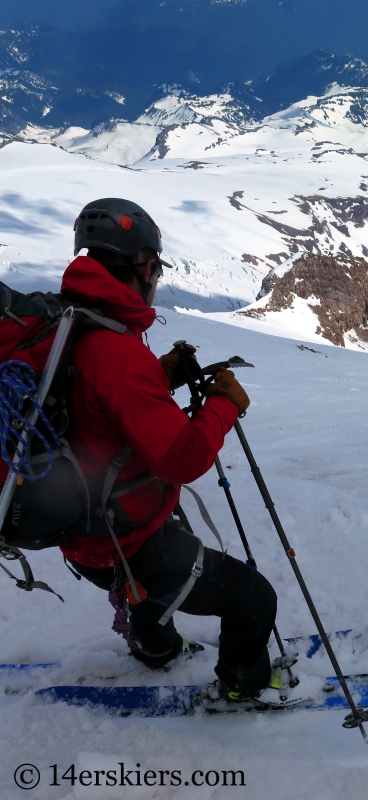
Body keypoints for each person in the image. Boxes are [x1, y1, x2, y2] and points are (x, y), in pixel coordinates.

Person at [59, 197, 277, 701]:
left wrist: (163, 376)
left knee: (148, 593)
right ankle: (248, 690)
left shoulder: (73, 323)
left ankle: (156, 651)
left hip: (85, 533)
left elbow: (97, 403)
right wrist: (224, 404)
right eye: (155, 269)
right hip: (131, 538)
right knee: (252, 599)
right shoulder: (114, 350)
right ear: (143, 267)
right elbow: (183, 458)